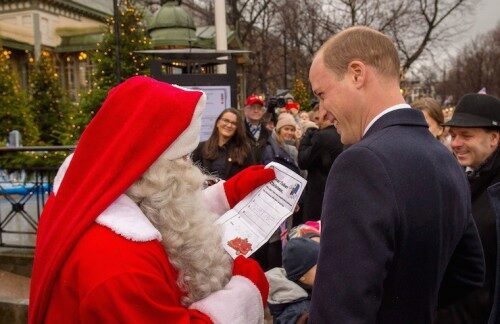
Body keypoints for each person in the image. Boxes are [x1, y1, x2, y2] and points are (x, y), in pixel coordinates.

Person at [28, 76, 276, 323]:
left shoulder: (87, 195)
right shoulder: (122, 265)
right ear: (150, 163)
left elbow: (160, 209)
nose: (191, 169)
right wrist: (245, 289)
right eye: (183, 158)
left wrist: (227, 194)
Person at [308, 26, 485, 323]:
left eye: (322, 94)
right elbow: (468, 273)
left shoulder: (361, 163)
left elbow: (340, 309)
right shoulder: (444, 157)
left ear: (356, 74)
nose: (322, 112)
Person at [436, 93, 500, 323]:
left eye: (466, 135)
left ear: (493, 139)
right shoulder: (466, 176)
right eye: (453, 135)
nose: (455, 143)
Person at [298, 109, 343, 221]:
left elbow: (303, 161)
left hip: (318, 193)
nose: (317, 123)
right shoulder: (344, 134)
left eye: (318, 118)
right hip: (337, 190)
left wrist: (305, 140)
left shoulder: (322, 136)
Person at [266, 237, 319, 324]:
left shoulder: (306, 292)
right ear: (302, 276)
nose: (325, 269)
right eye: (317, 266)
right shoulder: (300, 312)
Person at [192, 108, 254, 180]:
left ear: (237, 128)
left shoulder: (244, 150)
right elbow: (191, 175)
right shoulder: (201, 148)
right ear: (218, 123)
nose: (229, 125)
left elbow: (249, 178)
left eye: (234, 123)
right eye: (226, 120)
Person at [244, 94, 271, 163]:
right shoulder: (239, 131)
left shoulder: (268, 133)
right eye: (252, 107)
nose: (256, 111)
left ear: (262, 111)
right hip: (244, 172)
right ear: (245, 110)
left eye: (259, 108)